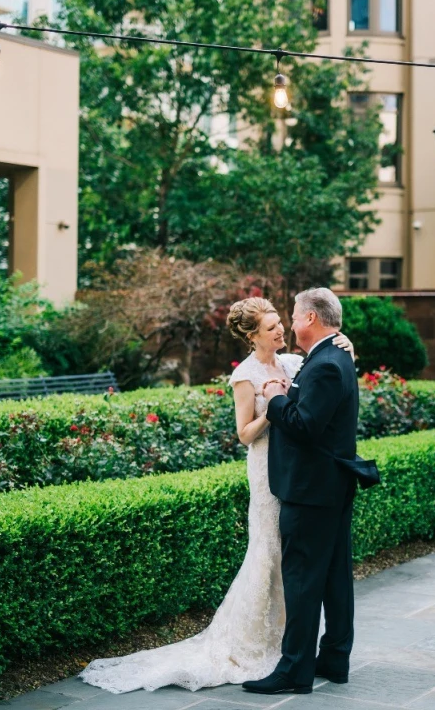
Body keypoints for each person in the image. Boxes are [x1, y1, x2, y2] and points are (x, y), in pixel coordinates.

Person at [79, 296, 354, 694]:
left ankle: (292, 654)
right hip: (271, 473)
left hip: (301, 477)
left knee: (297, 569)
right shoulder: (246, 375)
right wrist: (273, 404)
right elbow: (244, 433)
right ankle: (269, 647)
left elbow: (322, 376)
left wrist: (342, 343)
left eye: (284, 320)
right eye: (273, 325)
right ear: (252, 335)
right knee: (275, 561)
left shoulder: (298, 362)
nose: (282, 329)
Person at [243, 288, 379, 696]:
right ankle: (334, 658)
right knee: (336, 577)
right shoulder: (332, 357)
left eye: (294, 315)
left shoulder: (324, 364)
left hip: (311, 489)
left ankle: (294, 671)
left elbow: (303, 425)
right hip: (330, 485)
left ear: (310, 320)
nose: (289, 322)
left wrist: (275, 396)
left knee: (302, 580)